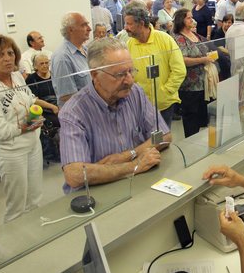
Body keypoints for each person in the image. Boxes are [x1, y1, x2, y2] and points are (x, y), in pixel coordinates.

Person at [59, 38, 170, 191]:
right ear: (95, 75)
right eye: (120, 74)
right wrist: (134, 165)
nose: (130, 80)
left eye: (131, 71)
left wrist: (127, 156)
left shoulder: (135, 93)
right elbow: (75, 175)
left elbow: (164, 136)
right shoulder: (74, 112)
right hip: (95, 195)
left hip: (136, 185)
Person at [0, 35, 44, 222]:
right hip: (11, 151)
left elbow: (30, 99)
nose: (7, 58)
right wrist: (26, 126)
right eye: (0, 55)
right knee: (17, 206)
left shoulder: (16, 75)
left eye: (10, 53)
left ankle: (35, 233)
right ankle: (18, 243)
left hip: (33, 145)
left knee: (35, 198)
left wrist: (36, 117)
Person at [123, 2, 186, 124]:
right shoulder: (129, 44)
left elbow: (179, 70)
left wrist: (165, 91)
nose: (125, 27)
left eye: (129, 24)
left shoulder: (165, 39)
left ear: (141, 24)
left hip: (163, 105)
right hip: (139, 105)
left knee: (163, 140)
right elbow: (128, 72)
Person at [171, 8, 216, 138]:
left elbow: (206, 47)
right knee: (191, 118)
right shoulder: (178, 38)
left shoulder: (195, 34)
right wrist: (203, 59)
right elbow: (182, 60)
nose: (192, 20)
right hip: (189, 85)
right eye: (189, 18)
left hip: (203, 83)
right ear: (181, 20)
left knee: (202, 118)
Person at [25, 52, 61, 164]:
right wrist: (53, 107)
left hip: (59, 104)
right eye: (41, 63)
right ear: (35, 66)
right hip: (43, 109)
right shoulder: (31, 79)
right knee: (59, 121)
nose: (45, 65)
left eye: (47, 63)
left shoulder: (55, 74)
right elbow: (34, 100)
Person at [50, 12, 92, 104]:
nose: (89, 29)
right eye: (84, 25)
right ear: (71, 30)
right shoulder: (62, 57)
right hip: (78, 114)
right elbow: (67, 96)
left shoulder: (86, 49)